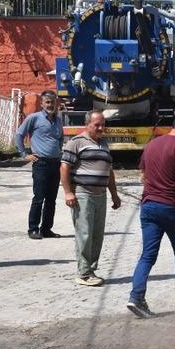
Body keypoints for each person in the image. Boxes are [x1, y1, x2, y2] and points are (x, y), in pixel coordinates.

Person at [127, 109, 175, 318]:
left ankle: (136, 297)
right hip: (171, 209)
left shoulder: (152, 144)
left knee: (148, 255)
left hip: (149, 207)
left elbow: (143, 175)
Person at [60, 110, 121, 286]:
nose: (101, 128)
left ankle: (91, 270)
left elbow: (108, 171)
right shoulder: (76, 142)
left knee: (97, 236)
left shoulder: (104, 144)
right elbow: (64, 167)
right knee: (84, 234)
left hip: (100, 196)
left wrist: (114, 195)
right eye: (97, 125)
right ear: (88, 125)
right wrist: (68, 192)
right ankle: (83, 273)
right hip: (83, 195)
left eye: (103, 124)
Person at [15, 90, 64, 240]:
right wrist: (24, 154)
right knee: (39, 198)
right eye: (47, 102)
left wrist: (59, 151)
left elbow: (60, 138)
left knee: (51, 199)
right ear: (42, 104)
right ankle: (33, 229)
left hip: (55, 164)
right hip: (40, 164)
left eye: (53, 102)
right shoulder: (34, 118)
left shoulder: (58, 120)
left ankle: (46, 229)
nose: (50, 105)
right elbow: (19, 135)